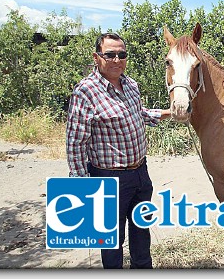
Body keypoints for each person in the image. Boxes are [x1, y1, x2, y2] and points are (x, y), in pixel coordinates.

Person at [66, 32, 170, 269]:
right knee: (111, 240)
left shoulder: (131, 85)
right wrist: (82, 188)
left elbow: (139, 114)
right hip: (107, 178)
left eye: (121, 55)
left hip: (140, 173)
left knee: (141, 232)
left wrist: (170, 113)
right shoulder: (86, 91)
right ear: (96, 57)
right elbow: (75, 143)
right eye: (110, 54)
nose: (116, 60)